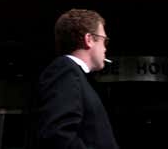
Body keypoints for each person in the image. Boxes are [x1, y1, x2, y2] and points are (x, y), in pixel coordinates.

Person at [35, 9, 119, 149]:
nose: (105, 48)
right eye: (104, 40)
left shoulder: (75, 75)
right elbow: (58, 135)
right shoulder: (65, 71)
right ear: (89, 39)